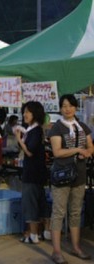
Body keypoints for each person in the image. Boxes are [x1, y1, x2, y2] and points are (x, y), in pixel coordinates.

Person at [48, 94, 93, 264]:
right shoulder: (57, 128)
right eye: (64, 106)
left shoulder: (82, 126)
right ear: (60, 108)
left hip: (79, 175)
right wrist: (78, 150)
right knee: (58, 212)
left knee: (75, 212)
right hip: (62, 175)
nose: (67, 109)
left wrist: (87, 152)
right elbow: (57, 152)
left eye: (71, 106)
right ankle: (57, 251)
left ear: (75, 107)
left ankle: (75, 247)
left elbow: (91, 146)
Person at [15, 101, 51, 244]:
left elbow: (29, 151)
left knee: (31, 203)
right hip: (36, 173)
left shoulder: (35, 131)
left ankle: (33, 234)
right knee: (40, 201)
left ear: (35, 114)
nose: (25, 114)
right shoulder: (31, 130)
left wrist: (19, 140)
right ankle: (45, 231)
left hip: (32, 173)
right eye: (24, 112)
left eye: (28, 112)